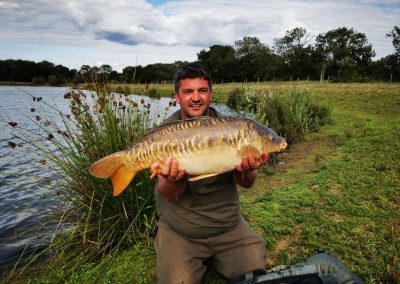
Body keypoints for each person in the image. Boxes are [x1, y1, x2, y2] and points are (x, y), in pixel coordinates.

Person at [151, 63, 269, 283]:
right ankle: (167, 243)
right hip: (181, 230)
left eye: (202, 91)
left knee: (255, 273)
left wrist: (248, 170)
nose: (196, 98)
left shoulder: (234, 129)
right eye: (188, 92)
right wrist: (174, 181)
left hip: (228, 227)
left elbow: (248, 183)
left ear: (211, 95)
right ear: (177, 96)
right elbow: (168, 193)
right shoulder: (166, 134)